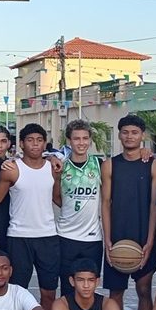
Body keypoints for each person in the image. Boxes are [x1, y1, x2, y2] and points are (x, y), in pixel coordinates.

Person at [101, 114, 156, 310]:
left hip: (143, 235)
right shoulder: (110, 165)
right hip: (117, 237)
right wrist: (107, 240)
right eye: (125, 132)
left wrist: (150, 240)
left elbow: (154, 204)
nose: (129, 136)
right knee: (115, 293)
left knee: (144, 291)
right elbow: (105, 203)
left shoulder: (153, 165)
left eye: (134, 133)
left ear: (142, 136)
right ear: (119, 135)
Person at [0, 124, 60, 310]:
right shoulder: (11, 169)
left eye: (39, 140)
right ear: (21, 144)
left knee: (48, 293)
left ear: (45, 144)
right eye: (30, 140)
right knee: (17, 291)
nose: (35, 144)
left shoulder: (53, 168)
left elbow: (58, 199)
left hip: (48, 236)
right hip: (19, 236)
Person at [55, 120, 104, 298]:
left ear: (90, 140)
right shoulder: (61, 166)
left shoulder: (99, 164)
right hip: (66, 237)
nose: (81, 142)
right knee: (68, 289)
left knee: (89, 289)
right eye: (76, 139)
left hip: (93, 239)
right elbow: (56, 197)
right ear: (69, 141)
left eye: (85, 138)